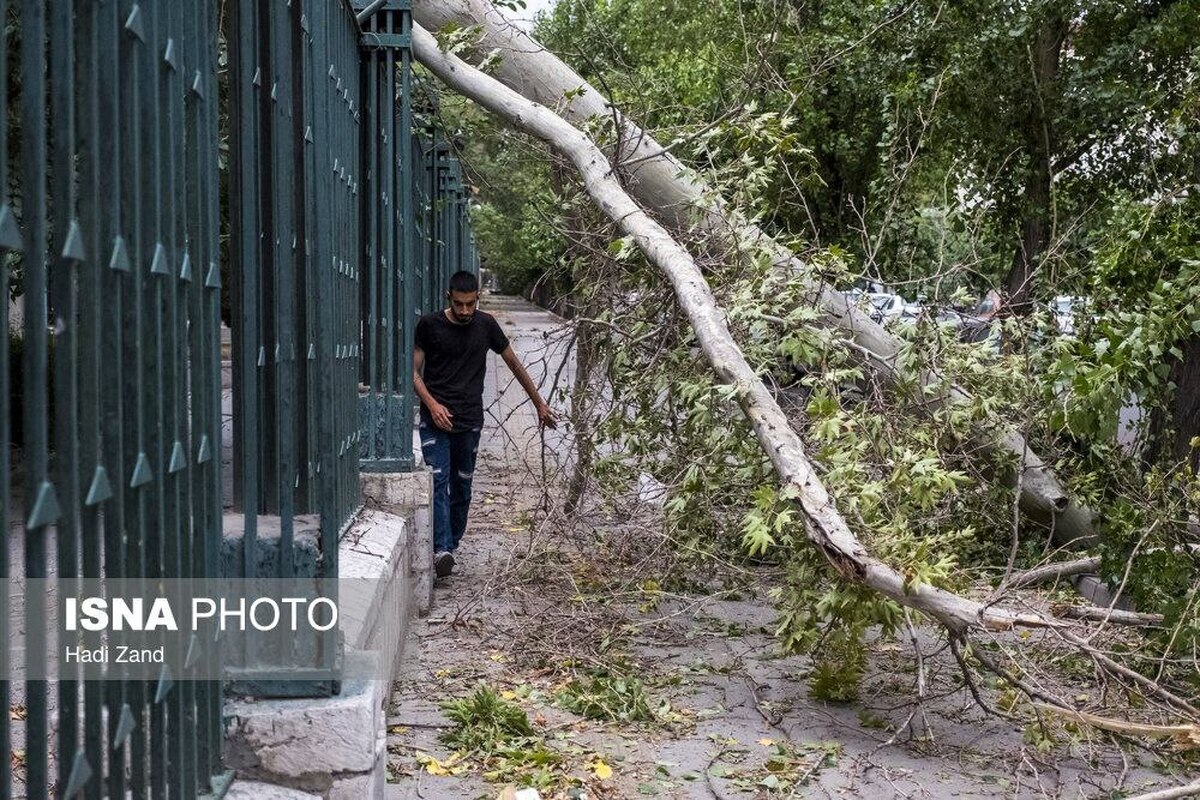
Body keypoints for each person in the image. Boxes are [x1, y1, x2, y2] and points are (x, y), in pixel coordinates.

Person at [413, 270, 556, 578]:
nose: (465, 311)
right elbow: (412, 372)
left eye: (470, 304)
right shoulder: (429, 325)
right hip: (435, 420)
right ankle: (442, 550)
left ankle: (450, 544)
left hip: (469, 421)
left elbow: (514, 364)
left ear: (477, 299)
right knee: (438, 481)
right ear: (448, 297)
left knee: (462, 486)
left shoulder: (486, 325)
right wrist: (432, 404)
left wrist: (539, 403)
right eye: (459, 304)